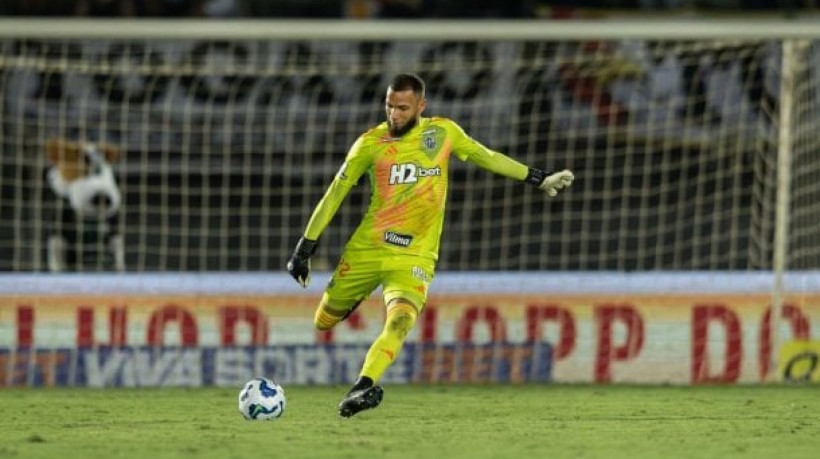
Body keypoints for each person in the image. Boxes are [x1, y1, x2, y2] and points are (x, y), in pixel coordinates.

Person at [286, 73, 574, 418]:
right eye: (390, 106)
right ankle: (354, 299)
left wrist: (538, 178)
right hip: (368, 249)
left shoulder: (443, 133)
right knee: (324, 322)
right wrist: (304, 249)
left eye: (403, 108)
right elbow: (334, 195)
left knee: (400, 322)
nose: (394, 114)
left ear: (421, 106)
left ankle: (362, 386)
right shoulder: (369, 144)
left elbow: (489, 156)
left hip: (415, 256)